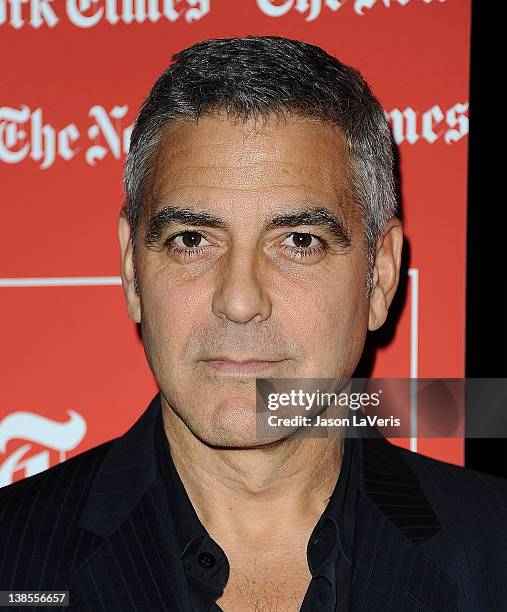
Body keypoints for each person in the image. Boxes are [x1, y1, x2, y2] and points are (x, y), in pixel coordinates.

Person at [1, 36, 506, 612]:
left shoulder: (496, 549)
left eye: (298, 241)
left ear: (380, 276)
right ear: (131, 266)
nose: (239, 301)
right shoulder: (13, 557)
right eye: (192, 240)